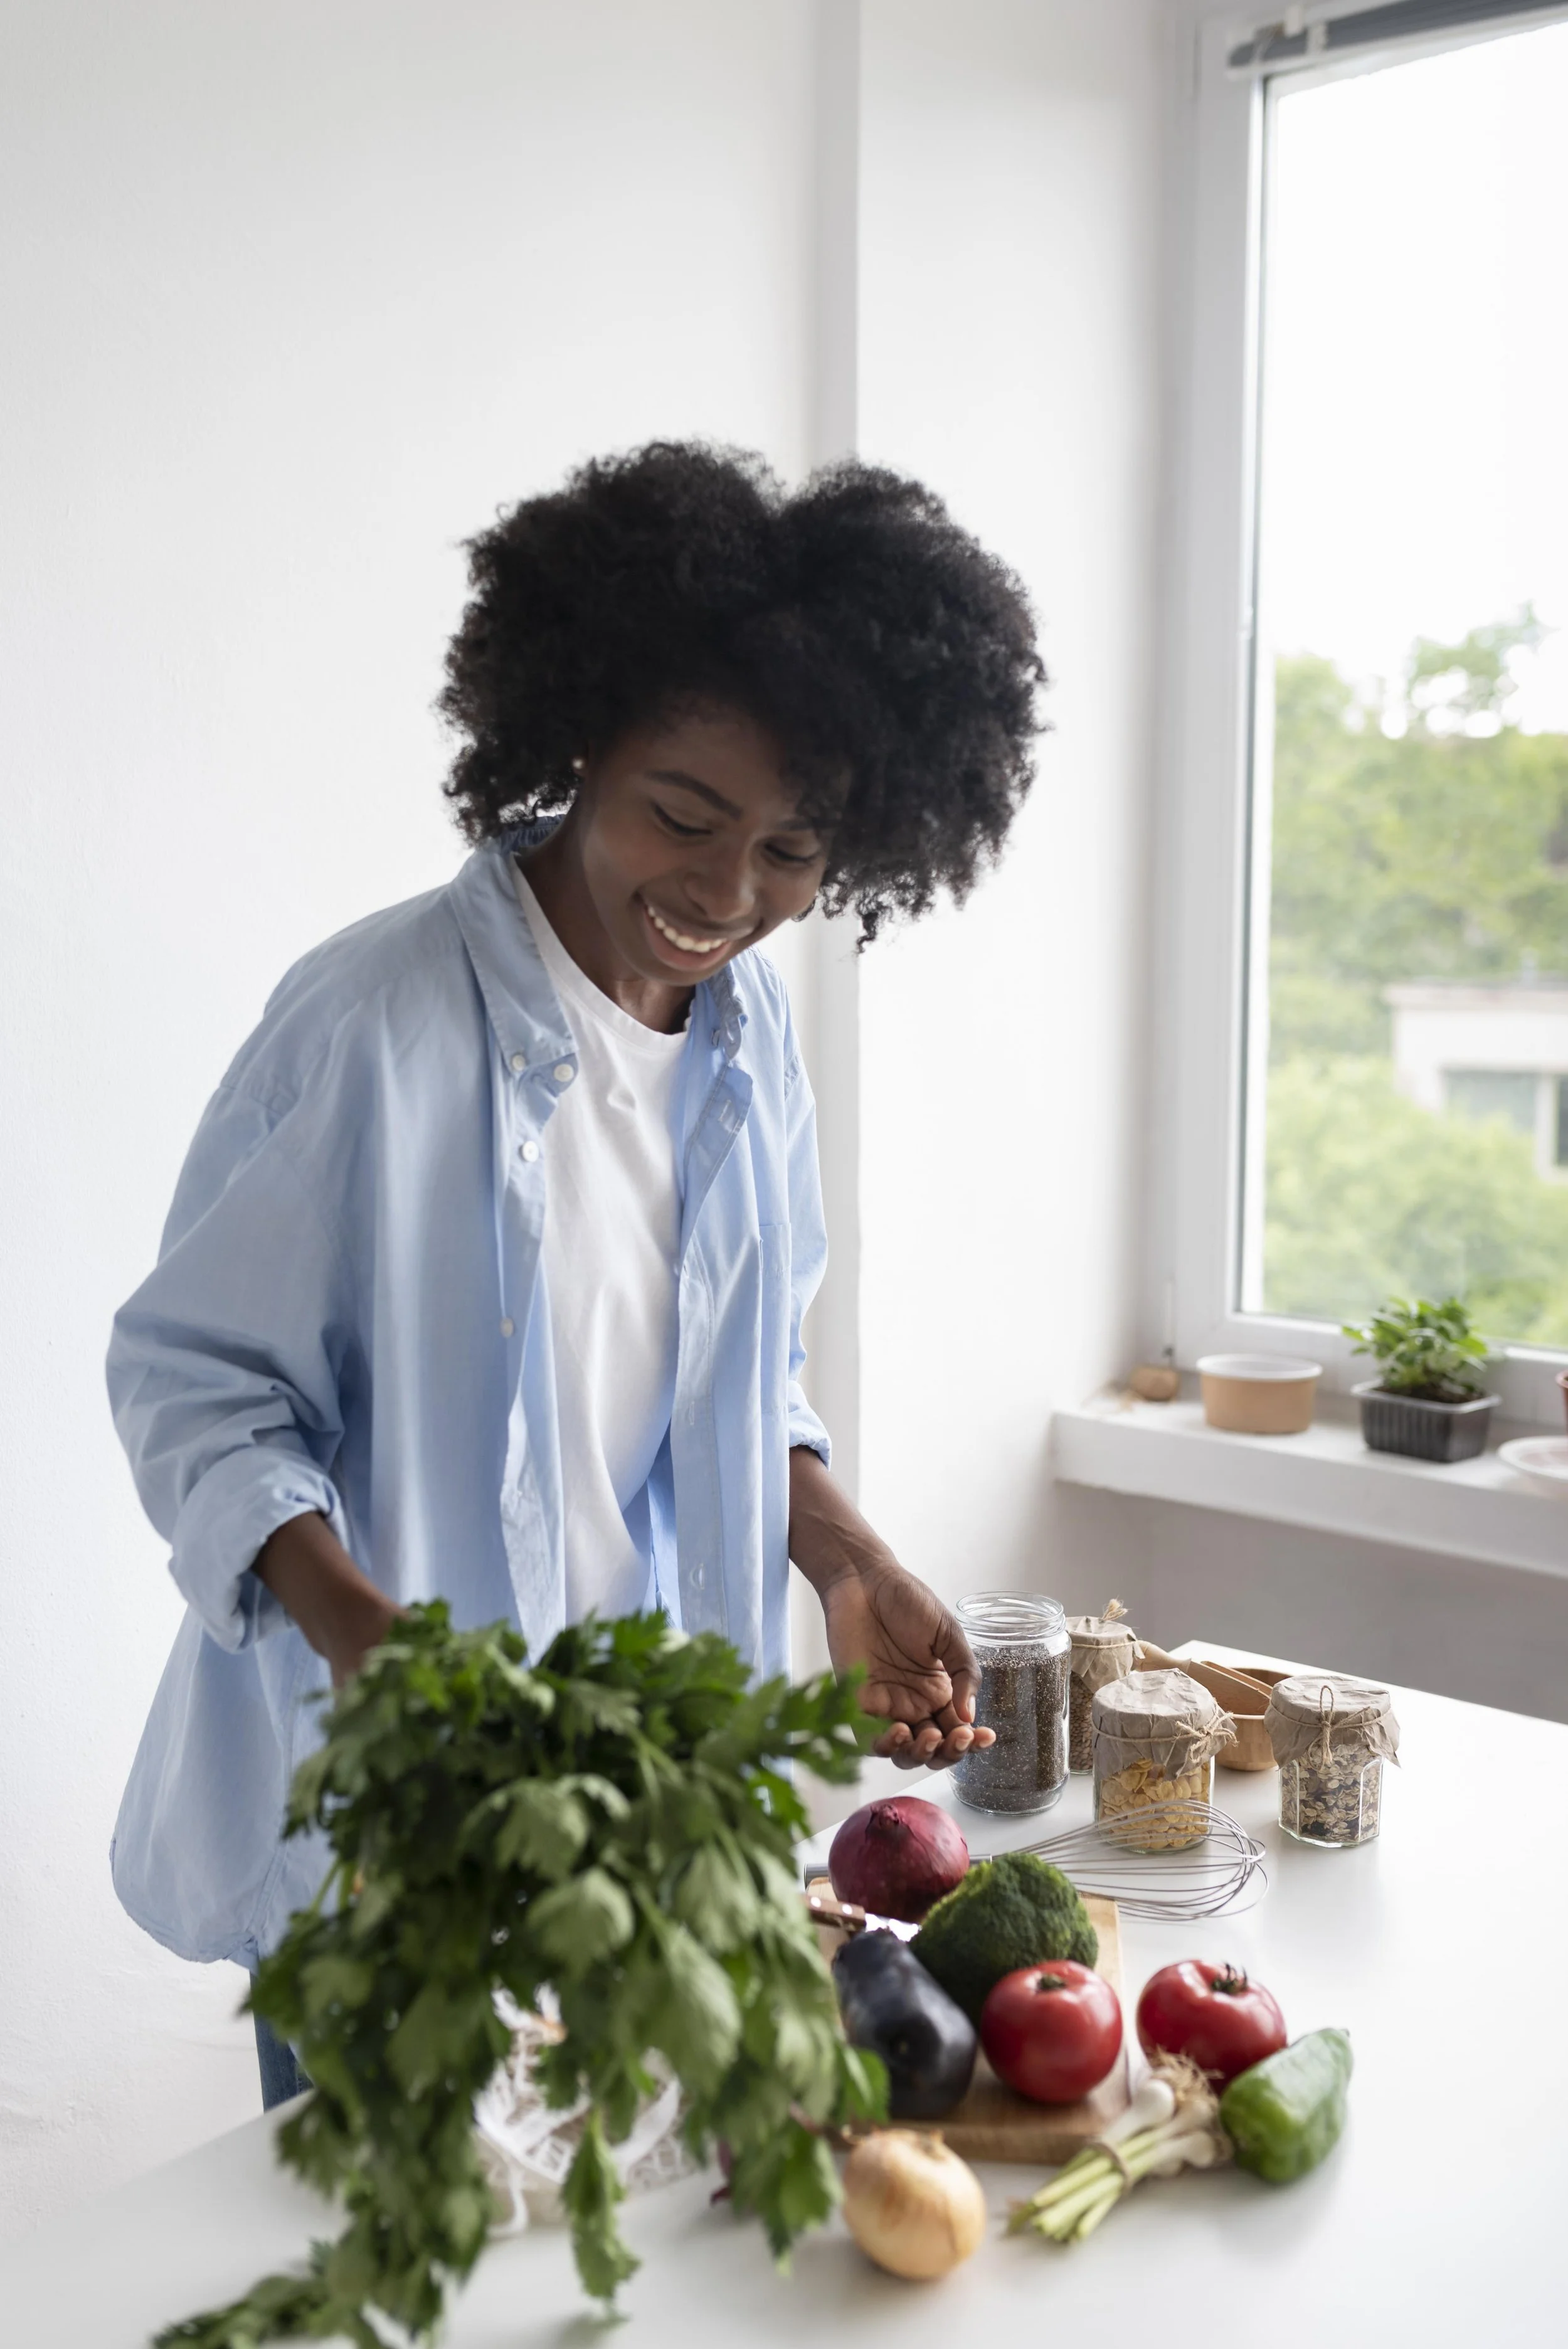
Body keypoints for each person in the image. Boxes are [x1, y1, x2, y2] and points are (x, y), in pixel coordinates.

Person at [106, 443, 1044, 2106]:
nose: (723, 894)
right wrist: (358, 1635)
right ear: (576, 737)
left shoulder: (754, 1054)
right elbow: (196, 1384)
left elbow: (730, 1386)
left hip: (649, 1821)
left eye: (792, 854)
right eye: (682, 816)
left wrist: (840, 1555)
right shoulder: (370, 1023)